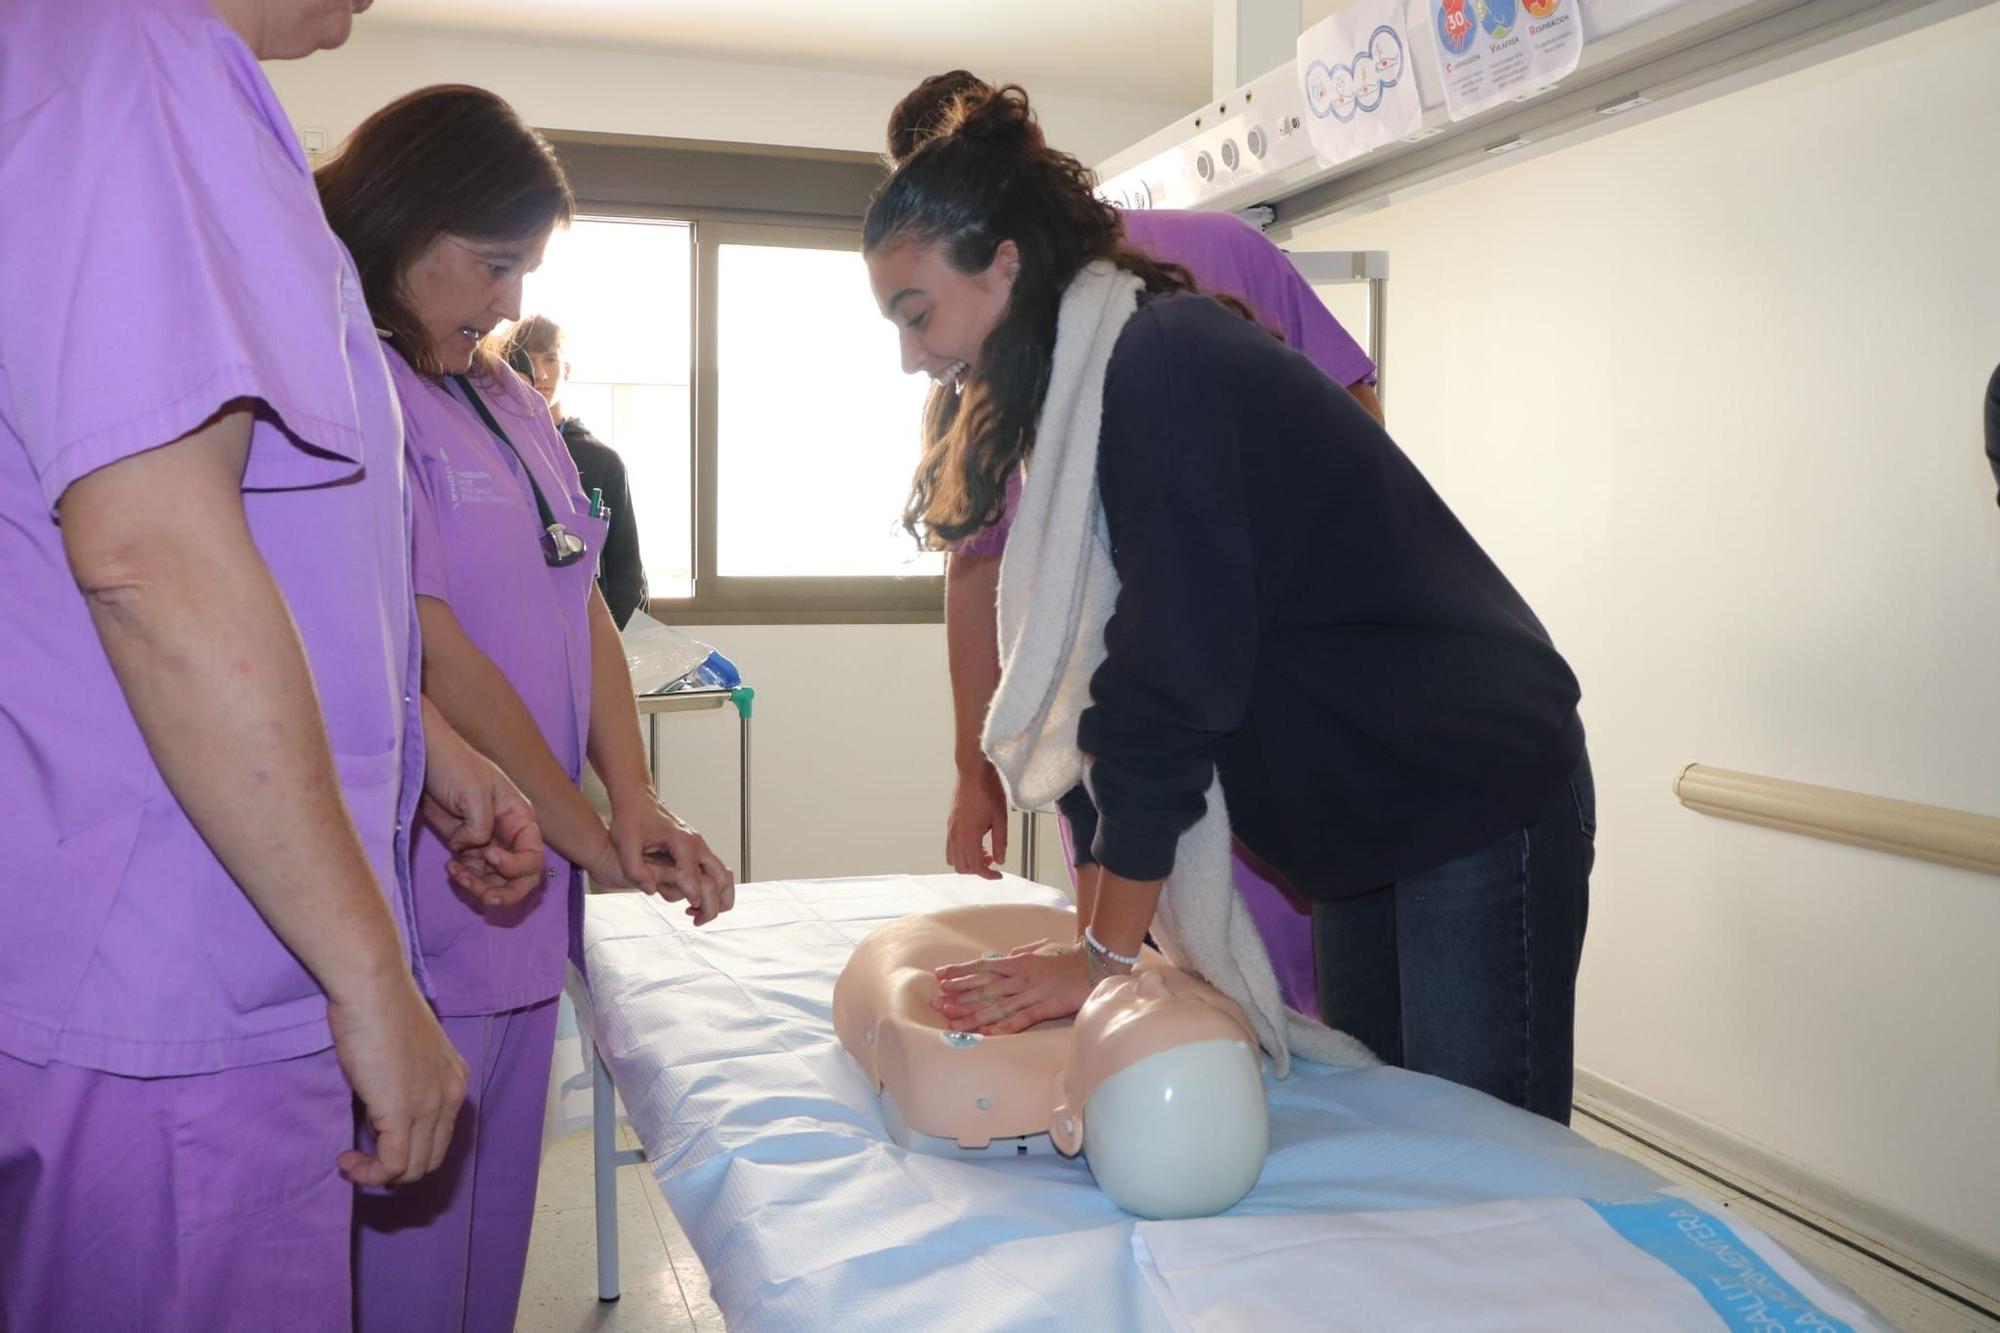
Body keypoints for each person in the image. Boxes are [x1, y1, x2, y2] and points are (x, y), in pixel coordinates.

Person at [863, 87, 1594, 1124]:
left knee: (1483, 1160)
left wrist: (1104, 954)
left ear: (1006, 265)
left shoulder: (1162, 366)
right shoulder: (1075, 407)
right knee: (1381, 1131)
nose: (913, 356)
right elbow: (1089, 691)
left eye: (916, 312)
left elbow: (1169, 681)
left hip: (1466, 782)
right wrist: (1097, 941)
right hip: (1359, 820)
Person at [0, 2, 549, 1328]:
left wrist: (424, 753)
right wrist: (371, 975)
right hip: (182, 968)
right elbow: (152, 560)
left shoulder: (133, 80)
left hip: (156, 943)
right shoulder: (128, 61)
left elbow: (248, 553)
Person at [318, 84, 735, 1331]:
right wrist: (584, 832)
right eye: (494, 266)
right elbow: (429, 644)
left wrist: (634, 797)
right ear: (400, 224)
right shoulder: (355, 386)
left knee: (486, 1259)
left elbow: (583, 600)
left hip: (524, 895)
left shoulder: (503, 400)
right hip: (432, 895)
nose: (509, 304)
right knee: (404, 1272)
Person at [887, 70, 1386, 1017]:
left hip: (1229, 710)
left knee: (1205, 1001)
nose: (925, 347)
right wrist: (978, 768)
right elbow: (982, 558)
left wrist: (976, 776)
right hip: (1153, 721)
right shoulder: (1010, 345)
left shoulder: (1135, 306)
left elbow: (1348, 441)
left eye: (922, 308)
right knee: (1193, 1010)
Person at [502, 314, 650, 627]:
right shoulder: (492, 451)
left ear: (567, 368)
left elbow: (628, 577)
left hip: (592, 631)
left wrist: (608, 645)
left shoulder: (602, 461)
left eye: (550, 360)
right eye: (528, 362)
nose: (540, 373)